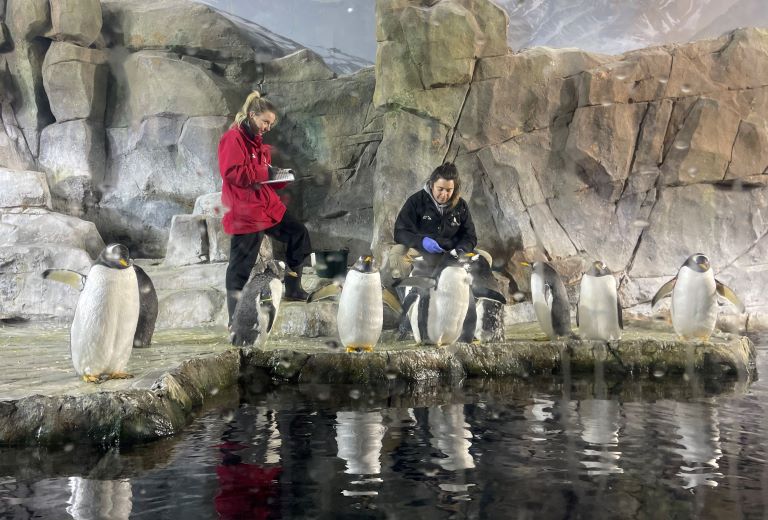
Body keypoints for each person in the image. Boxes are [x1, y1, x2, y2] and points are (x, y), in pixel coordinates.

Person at [219, 91, 311, 325]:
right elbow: (232, 173)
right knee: (240, 265)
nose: (268, 127)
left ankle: (293, 287)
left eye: (270, 124)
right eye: (265, 122)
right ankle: (235, 317)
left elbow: (262, 174)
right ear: (252, 115)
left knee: (298, 234)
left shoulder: (257, 143)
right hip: (246, 213)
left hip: (267, 207)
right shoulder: (233, 138)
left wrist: (280, 176)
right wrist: (265, 173)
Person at [386, 162, 477, 285]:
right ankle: (407, 294)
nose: (444, 194)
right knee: (398, 252)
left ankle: (467, 298)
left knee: (485, 257)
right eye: (440, 189)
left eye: (449, 190)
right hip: (422, 252)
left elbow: (469, 236)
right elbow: (400, 232)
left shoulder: (461, 206)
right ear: (432, 184)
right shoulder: (416, 201)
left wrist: (461, 249)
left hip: (451, 254)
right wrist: (422, 241)